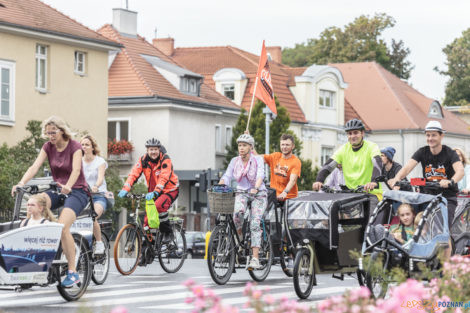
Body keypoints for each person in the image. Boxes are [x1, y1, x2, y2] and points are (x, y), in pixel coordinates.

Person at [11, 116, 89, 287]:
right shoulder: (48, 147)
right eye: (48, 133)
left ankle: (73, 272)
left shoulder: (75, 146)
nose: (51, 136)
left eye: (53, 132)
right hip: (57, 190)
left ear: (62, 131)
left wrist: (68, 186)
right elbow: (34, 166)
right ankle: (36, 261)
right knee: (35, 204)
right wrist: (21, 183)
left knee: (62, 227)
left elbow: (76, 170)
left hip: (77, 191)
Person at [388, 120, 464, 229]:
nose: (430, 138)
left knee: (444, 228)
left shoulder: (450, 153)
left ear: (441, 136)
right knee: (421, 226)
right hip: (428, 196)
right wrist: (396, 178)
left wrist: (450, 181)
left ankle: (448, 245)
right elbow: (407, 168)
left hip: (447, 197)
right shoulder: (422, 152)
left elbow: (460, 171)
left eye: (434, 135)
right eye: (428, 135)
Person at [312, 119, 383, 215]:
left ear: (362, 133)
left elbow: (377, 163)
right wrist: (319, 180)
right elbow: (329, 165)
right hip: (351, 194)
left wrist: (374, 181)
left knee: (369, 223)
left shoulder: (371, 147)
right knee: (333, 217)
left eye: (355, 133)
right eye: (349, 134)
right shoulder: (344, 149)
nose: (352, 136)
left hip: (370, 193)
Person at [219, 134, 266, 270]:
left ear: (251, 147)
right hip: (242, 192)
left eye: (244, 145)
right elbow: (227, 175)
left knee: (255, 223)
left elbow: (260, 175)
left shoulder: (258, 159)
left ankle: (255, 258)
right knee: (236, 215)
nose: (241, 148)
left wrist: (256, 188)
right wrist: (221, 184)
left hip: (258, 194)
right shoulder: (235, 161)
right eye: (239, 145)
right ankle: (239, 243)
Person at [117, 138, 179, 243]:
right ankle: (147, 252)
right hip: (153, 192)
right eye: (151, 149)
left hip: (169, 190)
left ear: (159, 150)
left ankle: (168, 232)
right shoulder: (143, 160)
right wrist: (125, 188)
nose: (153, 152)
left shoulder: (165, 159)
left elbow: (164, 177)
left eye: (155, 149)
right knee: (147, 221)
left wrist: (156, 191)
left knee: (158, 206)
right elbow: (133, 174)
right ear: (147, 150)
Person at [81, 135, 109, 254]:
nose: (84, 147)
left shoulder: (99, 161)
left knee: (92, 217)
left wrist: (96, 186)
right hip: (83, 196)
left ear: (92, 147)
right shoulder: (78, 161)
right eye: (82, 145)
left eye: (87, 145)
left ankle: (99, 243)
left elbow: (100, 178)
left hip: (98, 196)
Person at [262, 133, 301, 201]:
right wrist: (249, 144)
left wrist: (285, 192)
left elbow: (293, 180)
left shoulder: (296, 161)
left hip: (289, 198)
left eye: (287, 145)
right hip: (274, 196)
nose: (284, 147)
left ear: (293, 146)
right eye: (282, 144)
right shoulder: (275, 156)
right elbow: (257, 158)